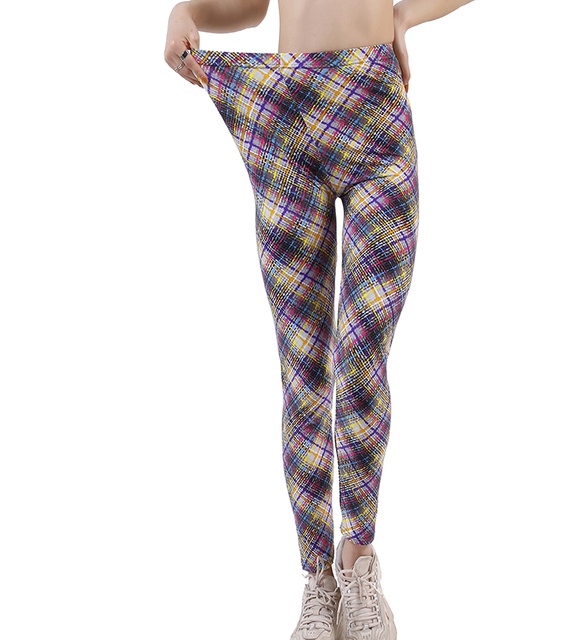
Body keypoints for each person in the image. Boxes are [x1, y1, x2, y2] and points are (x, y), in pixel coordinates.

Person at [164, 0, 473, 638]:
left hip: (373, 107)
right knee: (302, 364)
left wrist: (405, 16)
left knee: (362, 356)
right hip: (287, 116)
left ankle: (359, 569)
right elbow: (249, 7)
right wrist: (186, 10)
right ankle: (317, 579)